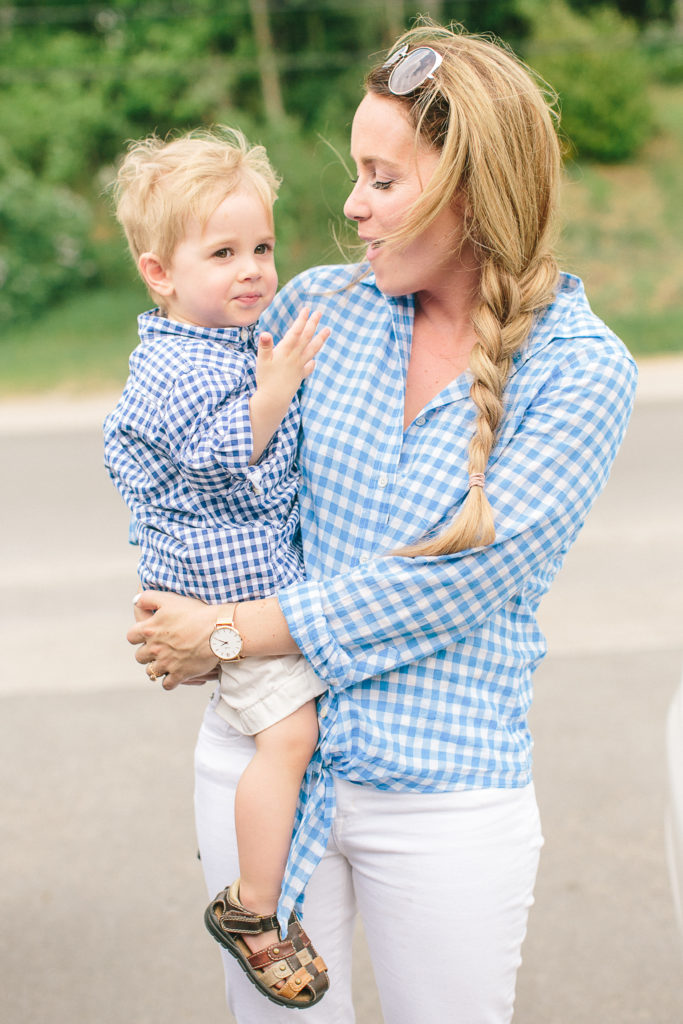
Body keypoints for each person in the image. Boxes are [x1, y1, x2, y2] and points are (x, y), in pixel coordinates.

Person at [127, 21, 638, 1024]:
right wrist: (170, 602)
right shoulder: (317, 307)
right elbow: (185, 450)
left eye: (381, 178)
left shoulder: (578, 371)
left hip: (441, 794)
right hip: (261, 760)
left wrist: (226, 629)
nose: (351, 206)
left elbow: (446, 585)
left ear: (468, 189)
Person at [103, 127, 330, 1008]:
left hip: (244, 583)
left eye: (263, 247)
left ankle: (262, 888)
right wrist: (275, 394)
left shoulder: (221, 343)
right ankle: (253, 906)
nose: (254, 269)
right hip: (222, 595)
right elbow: (208, 457)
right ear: (160, 273)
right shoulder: (174, 364)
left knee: (289, 735)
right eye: (224, 252)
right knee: (287, 736)